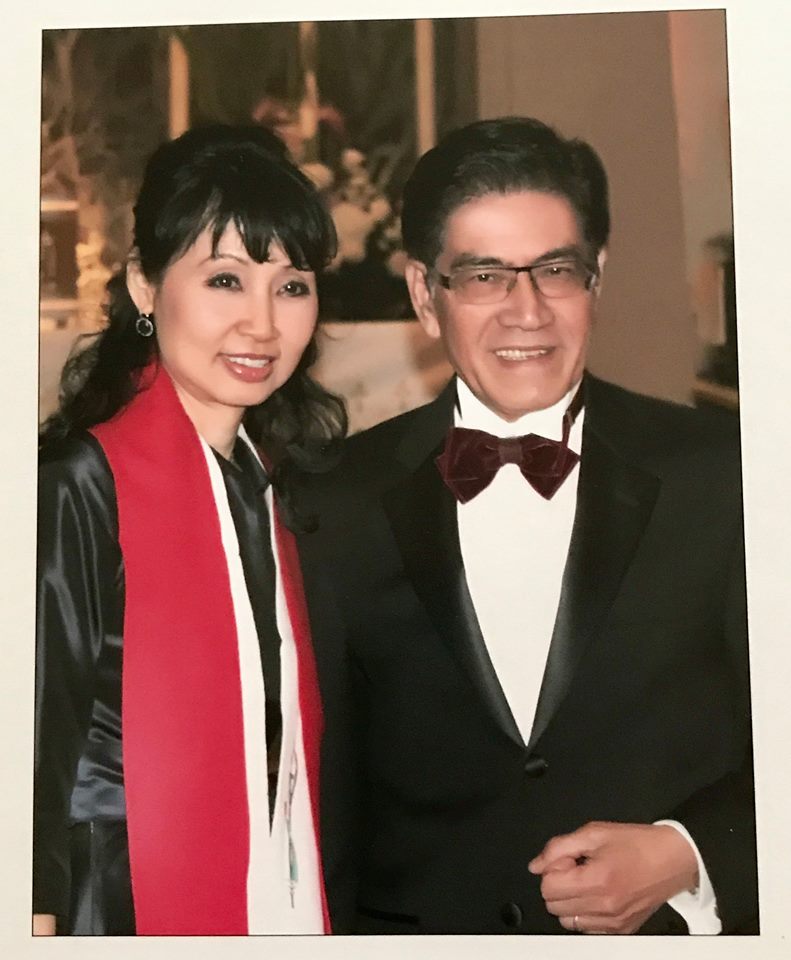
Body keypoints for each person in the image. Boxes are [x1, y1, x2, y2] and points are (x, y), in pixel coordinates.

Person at [296, 117, 757, 935]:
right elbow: (315, 795)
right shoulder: (331, 500)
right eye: (482, 276)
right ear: (424, 296)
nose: (526, 310)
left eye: (555, 270)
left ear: (596, 278)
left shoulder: (725, 474)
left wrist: (689, 853)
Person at [34, 124, 346, 936]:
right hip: (109, 895)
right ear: (144, 285)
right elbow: (30, 749)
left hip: (266, 881)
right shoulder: (79, 482)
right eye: (225, 280)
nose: (261, 326)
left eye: (291, 286)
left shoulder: (273, 483)